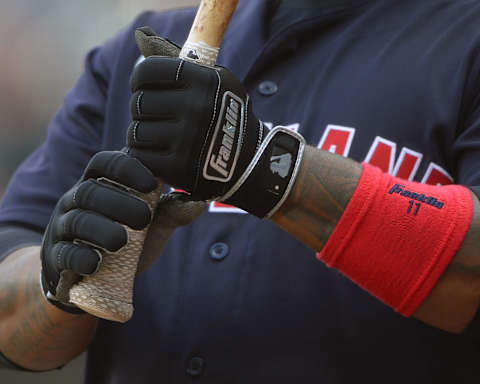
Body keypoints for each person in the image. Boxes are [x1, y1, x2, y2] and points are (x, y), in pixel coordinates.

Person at [1, 0, 480, 382]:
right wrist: (59, 279)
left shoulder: (465, 37)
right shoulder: (133, 56)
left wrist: (262, 168)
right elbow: (9, 317)